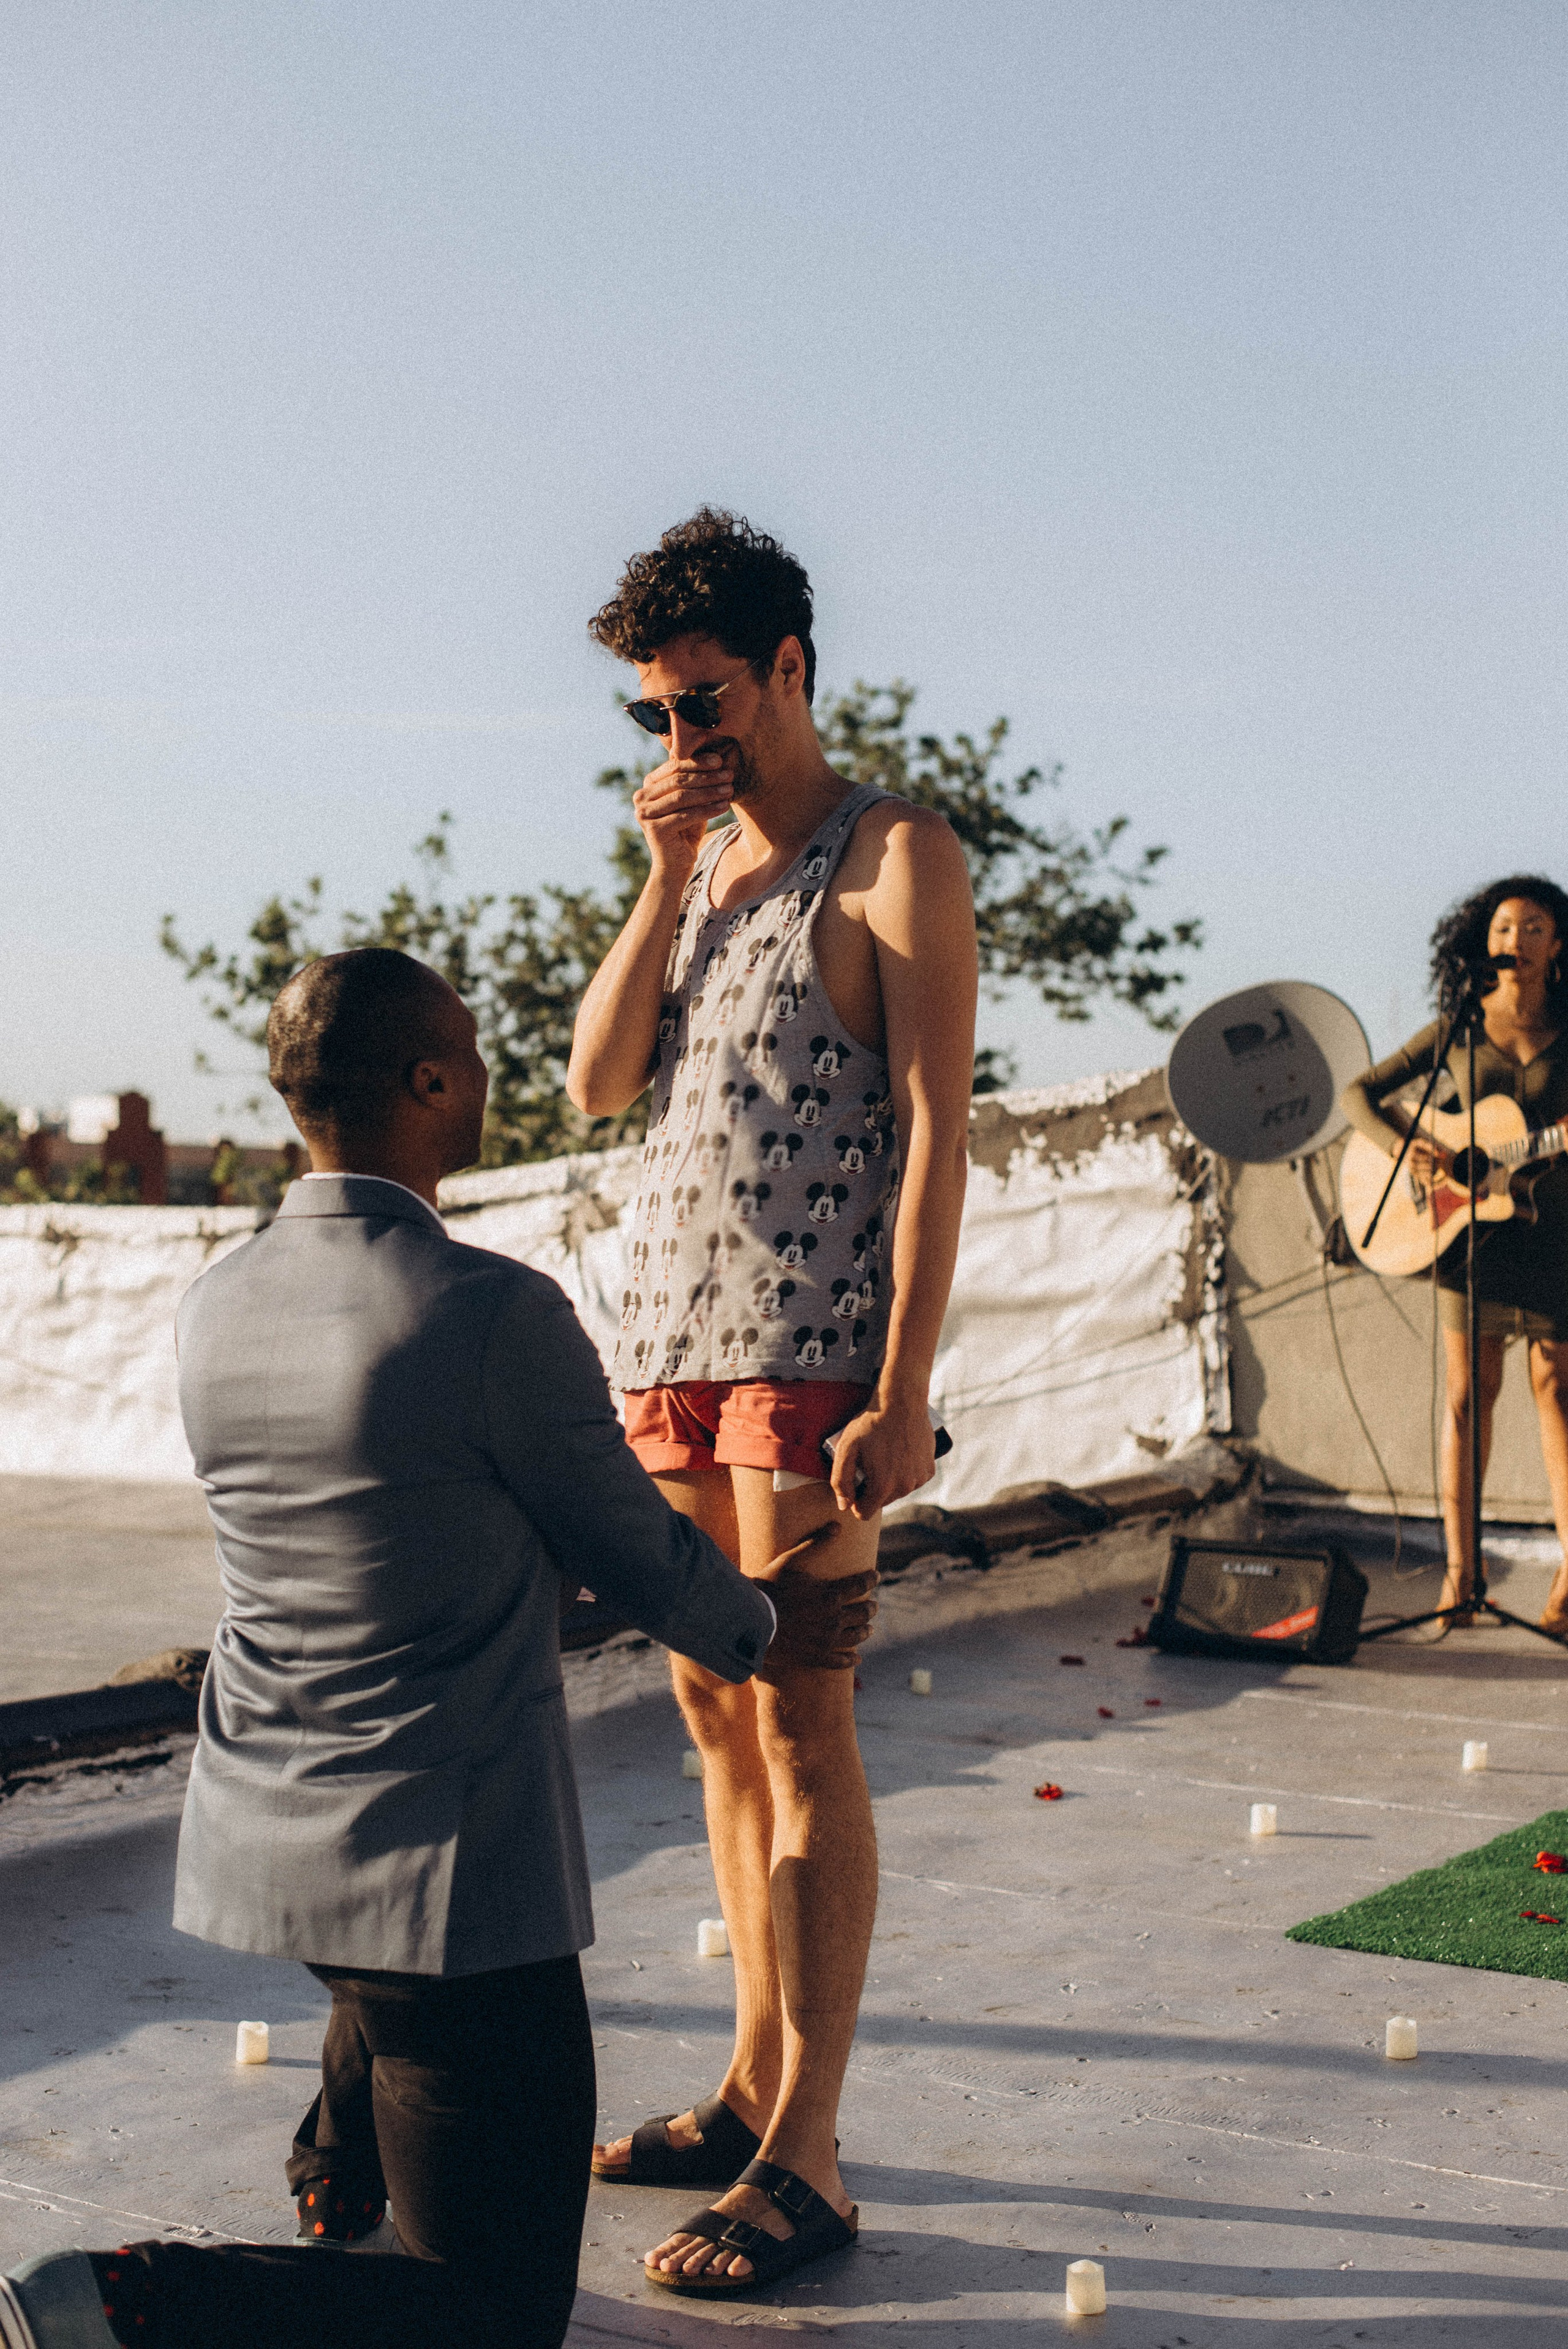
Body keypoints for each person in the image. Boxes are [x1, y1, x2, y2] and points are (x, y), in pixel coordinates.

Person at [0, 947, 874, 2349]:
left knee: (383, 2035)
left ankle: (339, 2155)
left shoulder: (213, 1301)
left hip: (262, 1835)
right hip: (444, 1894)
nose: (483, 1070)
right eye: (466, 1048)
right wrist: (774, 1625)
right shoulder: (489, 1310)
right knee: (493, 2307)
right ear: (425, 1082)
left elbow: (400, 1539)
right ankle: (114, 2299)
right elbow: (628, 1546)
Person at [567, 510, 978, 2294]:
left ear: (789, 666)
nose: (681, 744)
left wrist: (905, 1386)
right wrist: (660, 875)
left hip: (814, 1365)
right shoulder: (704, 861)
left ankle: (808, 2153)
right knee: (717, 1728)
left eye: (705, 704)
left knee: (805, 1721)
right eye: (654, 715)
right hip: (670, 1354)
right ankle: (745, 2085)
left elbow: (939, 1135)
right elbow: (596, 1087)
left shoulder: (894, 858)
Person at [1341, 877, 1568, 1634]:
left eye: (1533, 926)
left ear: (1557, 945)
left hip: (1554, 1229)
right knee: (1469, 1396)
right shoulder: (1457, 1028)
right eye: (1504, 926)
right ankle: (1459, 1579)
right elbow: (1359, 1095)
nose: (1515, 939)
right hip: (1466, 1235)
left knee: (1557, 1393)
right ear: (1484, 942)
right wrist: (1412, 1154)